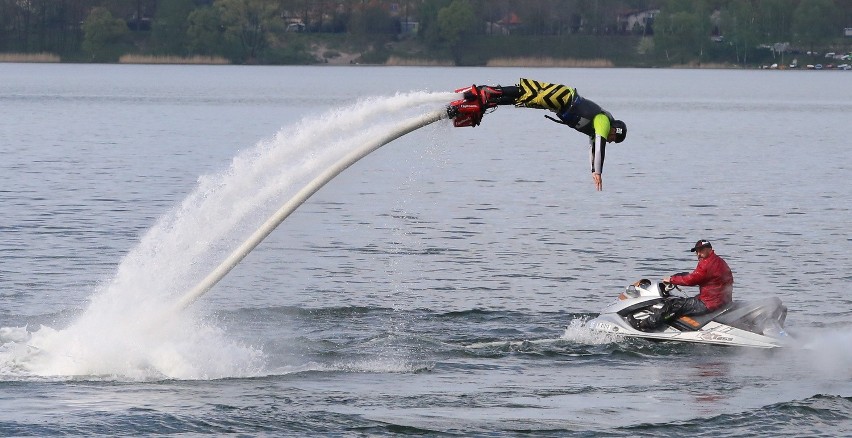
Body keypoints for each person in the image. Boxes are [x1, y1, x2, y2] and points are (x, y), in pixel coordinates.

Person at [448, 78, 627, 191]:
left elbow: (592, 150)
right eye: (614, 139)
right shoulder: (604, 121)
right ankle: (492, 92)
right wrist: (599, 172)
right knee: (526, 93)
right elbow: (600, 146)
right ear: (615, 130)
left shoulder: (596, 129)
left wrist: (592, 171)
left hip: (558, 105)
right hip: (565, 97)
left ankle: (487, 101)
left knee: (524, 100)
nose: (611, 141)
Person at [629, 239, 734, 331]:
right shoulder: (719, 261)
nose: (698, 254)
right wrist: (679, 277)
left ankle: (644, 324)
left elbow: (692, 280)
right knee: (685, 301)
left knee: (674, 304)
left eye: (701, 250)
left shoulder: (707, 263)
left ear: (709, 249)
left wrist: (672, 279)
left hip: (709, 303)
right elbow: (700, 277)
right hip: (721, 300)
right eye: (697, 251)